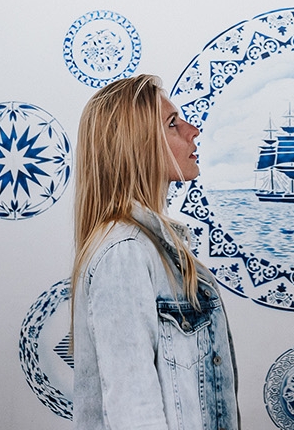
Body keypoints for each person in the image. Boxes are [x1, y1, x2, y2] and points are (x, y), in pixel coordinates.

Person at [71, 74, 239, 430]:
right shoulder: (125, 252)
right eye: (173, 125)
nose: (193, 131)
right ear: (139, 145)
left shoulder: (151, 247)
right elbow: (134, 411)